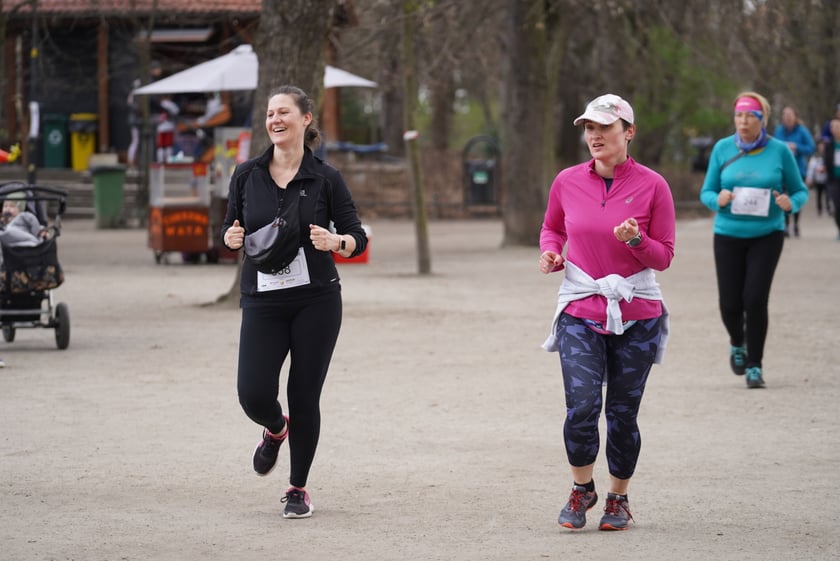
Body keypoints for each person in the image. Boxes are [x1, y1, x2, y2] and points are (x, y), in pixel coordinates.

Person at [221, 85, 367, 519]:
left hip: (316, 301)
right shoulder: (246, 175)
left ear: (306, 119)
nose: (274, 120)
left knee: (304, 395)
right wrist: (229, 238)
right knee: (252, 393)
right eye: (269, 114)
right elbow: (229, 228)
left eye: (283, 112)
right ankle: (274, 429)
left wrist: (336, 241)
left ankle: (297, 488)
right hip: (263, 299)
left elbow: (356, 236)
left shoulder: (326, 178)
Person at [539, 94, 675, 531]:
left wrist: (636, 240)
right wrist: (551, 252)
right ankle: (582, 489)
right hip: (580, 307)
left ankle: (618, 496)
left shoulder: (654, 185)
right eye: (589, 129)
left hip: (637, 312)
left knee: (621, 412)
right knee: (580, 407)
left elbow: (664, 256)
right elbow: (553, 227)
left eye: (604, 128)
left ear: (628, 133)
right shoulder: (566, 181)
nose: (594, 136)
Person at [699, 92, 809, 388]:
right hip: (728, 234)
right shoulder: (722, 149)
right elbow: (706, 192)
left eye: (750, 116)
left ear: (762, 120)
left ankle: (754, 366)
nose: (743, 121)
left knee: (755, 299)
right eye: (739, 116)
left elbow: (800, 190)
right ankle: (738, 341)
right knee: (729, 304)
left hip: (767, 235)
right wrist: (718, 199)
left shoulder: (779, 151)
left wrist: (791, 204)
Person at [773, 105, 815, 237]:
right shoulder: (779, 130)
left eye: (790, 115)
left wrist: (796, 146)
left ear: (795, 116)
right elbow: (773, 147)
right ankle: (786, 225)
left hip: (798, 169)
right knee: (782, 196)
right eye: (785, 115)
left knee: (796, 196)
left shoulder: (802, 131)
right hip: (781, 170)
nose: (787, 117)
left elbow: (811, 148)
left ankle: (796, 224)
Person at [823, 118, 840, 239]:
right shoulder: (829, 145)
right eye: (832, 126)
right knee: (837, 205)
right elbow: (826, 161)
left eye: (836, 126)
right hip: (833, 180)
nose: (833, 129)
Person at [805, 140, 831, 217]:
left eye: (823, 145)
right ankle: (819, 209)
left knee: (828, 195)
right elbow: (811, 167)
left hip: (827, 178)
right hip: (818, 179)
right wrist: (809, 178)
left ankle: (828, 208)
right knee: (819, 195)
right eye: (820, 145)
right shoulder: (815, 156)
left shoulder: (829, 153)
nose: (821, 147)